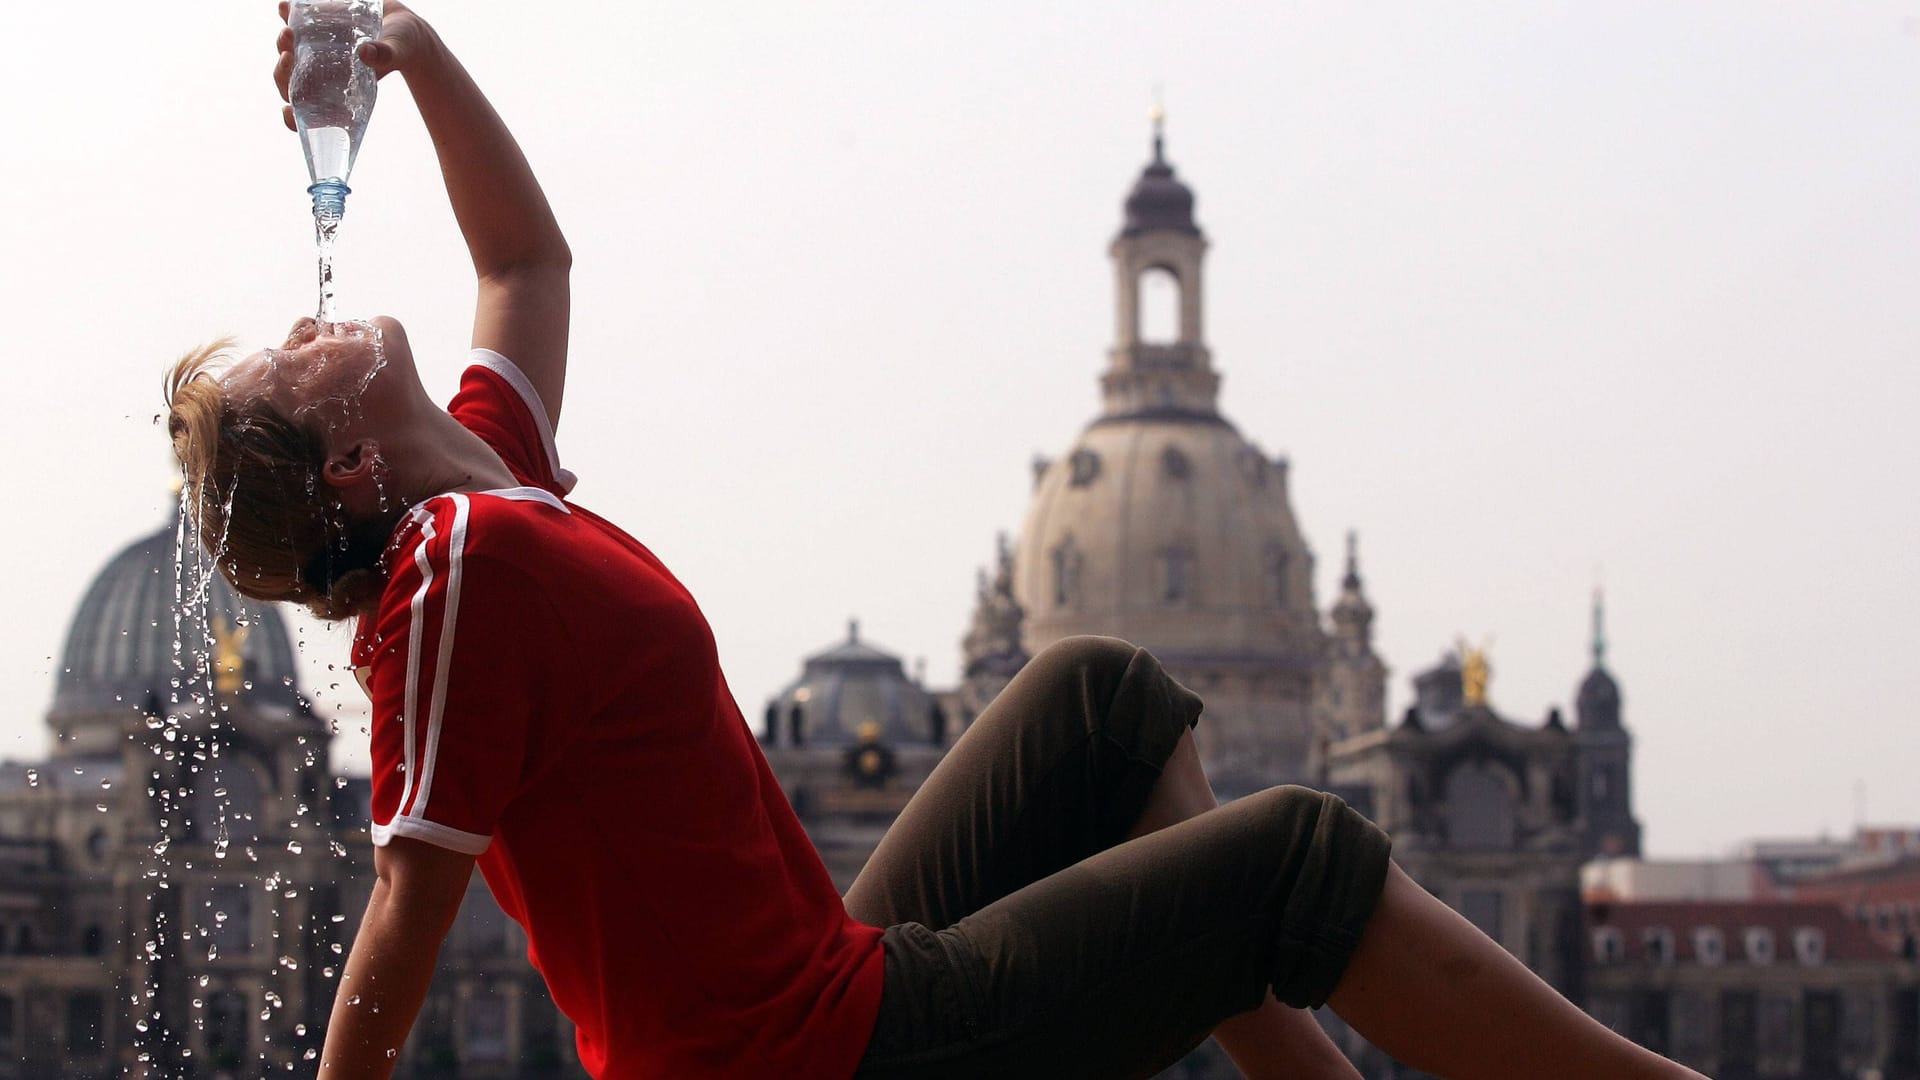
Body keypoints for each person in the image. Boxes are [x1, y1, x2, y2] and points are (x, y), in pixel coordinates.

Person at [165, 5, 1710, 1079]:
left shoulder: (492, 475)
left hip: (815, 996)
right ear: (351, 460)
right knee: (1296, 848)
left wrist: (410, 48)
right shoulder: (453, 581)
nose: (303, 319)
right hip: (811, 1063)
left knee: (1100, 692)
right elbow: (398, 928)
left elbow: (524, 255)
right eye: (281, 361)